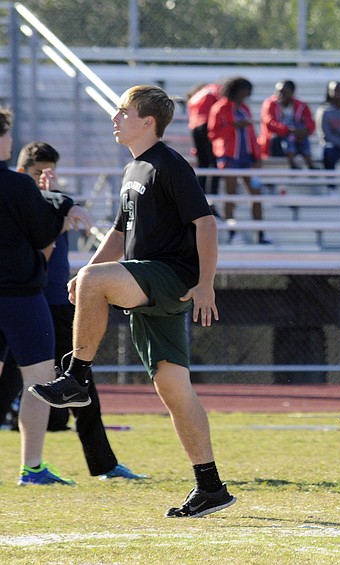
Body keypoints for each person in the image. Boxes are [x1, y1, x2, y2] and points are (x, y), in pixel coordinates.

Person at [28, 86, 235, 517]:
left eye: (124, 111)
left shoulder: (169, 164)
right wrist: (85, 275)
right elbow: (120, 236)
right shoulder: (132, 169)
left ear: (148, 122)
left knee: (94, 281)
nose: (115, 118)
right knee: (173, 387)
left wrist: (206, 285)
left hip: (169, 276)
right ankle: (211, 487)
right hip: (147, 278)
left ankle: (77, 376)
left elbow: (207, 224)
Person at [10, 142, 146, 480]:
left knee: (79, 384)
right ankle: (35, 467)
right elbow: (35, 244)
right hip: (22, 301)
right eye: (39, 173)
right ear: (22, 173)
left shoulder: (61, 204)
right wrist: (52, 207)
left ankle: (103, 464)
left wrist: (58, 203)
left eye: (51, 171)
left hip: (55, 304)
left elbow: (74, 218)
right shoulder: (17, 203)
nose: (46, 179)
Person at [0, 107, 90, 485]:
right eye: (6, 132)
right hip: (20, 296)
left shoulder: (20, 185)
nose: (10, 139)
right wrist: (60, 208)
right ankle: (32, 467)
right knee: (38, 379)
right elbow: (42, 238)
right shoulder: (18, 185)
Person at [207, 76, 270, 245]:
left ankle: (261, 234)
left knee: (256, 194)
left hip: (247, 159)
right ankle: (233, 234)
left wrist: (257, 156)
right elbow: (213, 134)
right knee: (231, 195)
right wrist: (233, 127)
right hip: (230, 158)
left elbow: (251, 134)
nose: (246, 94)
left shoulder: (245, 108)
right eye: (244, 90)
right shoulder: (219, 108)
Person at [259, 80, 317, 169]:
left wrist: (302, 131)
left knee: (301, 130)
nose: (280, 94)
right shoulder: (270, 104)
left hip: (298, 139)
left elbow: (310, 124)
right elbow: (270, 123)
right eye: (278, 91)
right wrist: (289, 130)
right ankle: (292, 162)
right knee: (290, 132)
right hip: (276, 141)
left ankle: (308, 160)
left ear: (292, 92)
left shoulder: (301, 105)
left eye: (284, 92)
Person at [186, 82, 221, 198]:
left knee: (203, 164)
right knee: (214, 164)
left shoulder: (198, 96)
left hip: (195, 127)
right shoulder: (213, 90)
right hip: (207, 125)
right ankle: (212, 197)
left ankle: (199, 195)